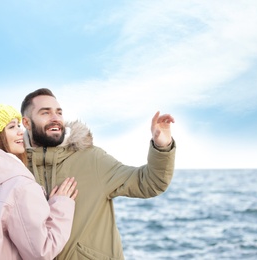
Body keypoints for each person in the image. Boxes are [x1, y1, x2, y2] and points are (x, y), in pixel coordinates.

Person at [20, 88, 176, 259]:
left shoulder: (92, 158)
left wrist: (162, 146)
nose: (55, 118)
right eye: (45, 113)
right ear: (26, 123)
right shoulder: (15, 167)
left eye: (59, 112)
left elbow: (150, 182)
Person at [0, 103, 78, 260]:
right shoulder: (21, 186)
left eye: (18, 125)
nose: (21, 132)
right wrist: (61, 205)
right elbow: (41, 252)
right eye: (12, 127)